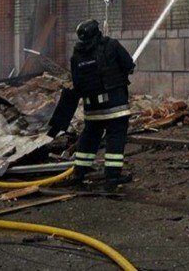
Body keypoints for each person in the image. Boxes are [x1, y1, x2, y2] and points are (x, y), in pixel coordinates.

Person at [48, 19, 135, 192]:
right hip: (115, 106)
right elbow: (129, 66)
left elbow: (77, 83)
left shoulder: (77, 55)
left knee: (89, 138)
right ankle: (112, 177)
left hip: (92, 109)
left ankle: (79, 173)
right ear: (97, 31)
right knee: (115, 138)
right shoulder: (111, 45)